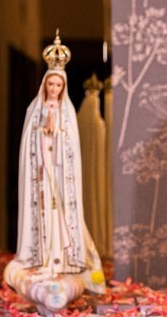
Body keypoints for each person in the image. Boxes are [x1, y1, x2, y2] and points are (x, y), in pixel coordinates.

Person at [9, 32, 105, 295]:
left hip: (60, 176)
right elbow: (29, 142)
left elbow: (71, 147)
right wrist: (42, 137)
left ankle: (61, 262)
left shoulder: (68, 114)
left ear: (63, 86)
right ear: (45, 85)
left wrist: (57, 138)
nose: (54, 90)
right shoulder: (34, 110)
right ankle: (42, 260)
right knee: (44, 216)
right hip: (42, 174)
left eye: (58, 86)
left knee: (59, 217)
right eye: (50, 85)